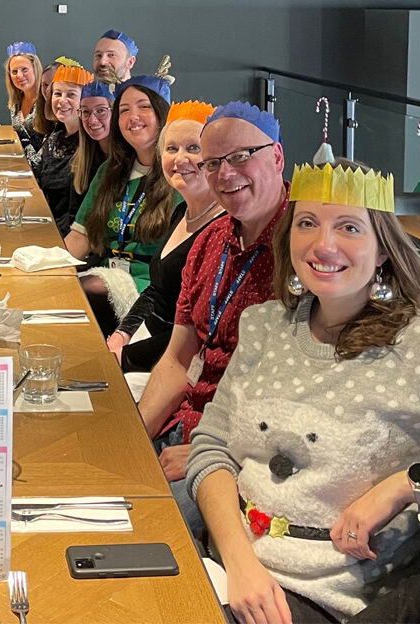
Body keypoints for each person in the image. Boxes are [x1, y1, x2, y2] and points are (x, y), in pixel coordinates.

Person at [187, 160, 420, 622]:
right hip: (226, 565)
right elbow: (211, 450)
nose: (323, 244)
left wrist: (406, 487)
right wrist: (240, 563)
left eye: (349, 227)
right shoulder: (264, 325)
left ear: (384, 249)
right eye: (307, 223)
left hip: (326, 602)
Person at [138, 101, 288, 535]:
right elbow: (177, 360)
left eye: (242, 157)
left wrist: (212, 449)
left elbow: (300, 395)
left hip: (238, 452)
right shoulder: (208, 244)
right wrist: (135, 436)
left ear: (276, 156)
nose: (225, 173)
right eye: (214, 163)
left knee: (151, 533)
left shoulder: (305, 248)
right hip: (181, 426)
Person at [106, 101, 224, 386]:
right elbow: (156, 291)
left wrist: (124, 358)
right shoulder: (182, 212)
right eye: (171, 149)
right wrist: (122, 333)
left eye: (193, 148)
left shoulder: (220, 231)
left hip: (174, 368)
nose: (180, 158)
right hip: (145, 344)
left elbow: (193, 335)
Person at [65, 76, 179, 335]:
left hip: (149, 287)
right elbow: (80, 238)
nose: (133, 116)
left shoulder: (179, 176)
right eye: (124, 110)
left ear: (163, 114)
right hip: (106, 272)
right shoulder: (110, 171)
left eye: (144, 107)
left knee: (85, 292)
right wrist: (44, 268)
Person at [31, 63, 93, 236]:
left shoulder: (89, 146)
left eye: (71, 94)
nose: (62, 100)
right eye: (57, 94)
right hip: (45, 222)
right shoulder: (56, 135)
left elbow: (77, 216)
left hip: (67, 236)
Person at [70, 80, 116, 211]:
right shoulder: (83, 159)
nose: (92, 120)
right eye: (85, 112)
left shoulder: (128, 160)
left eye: (101, 110)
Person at [4, 41, 42, 153]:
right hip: (20, 163)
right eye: (14, 72)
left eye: (24, 70)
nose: (19, 76)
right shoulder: (16, 103)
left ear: (35, 69)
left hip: (42, 167)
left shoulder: (47, 101)